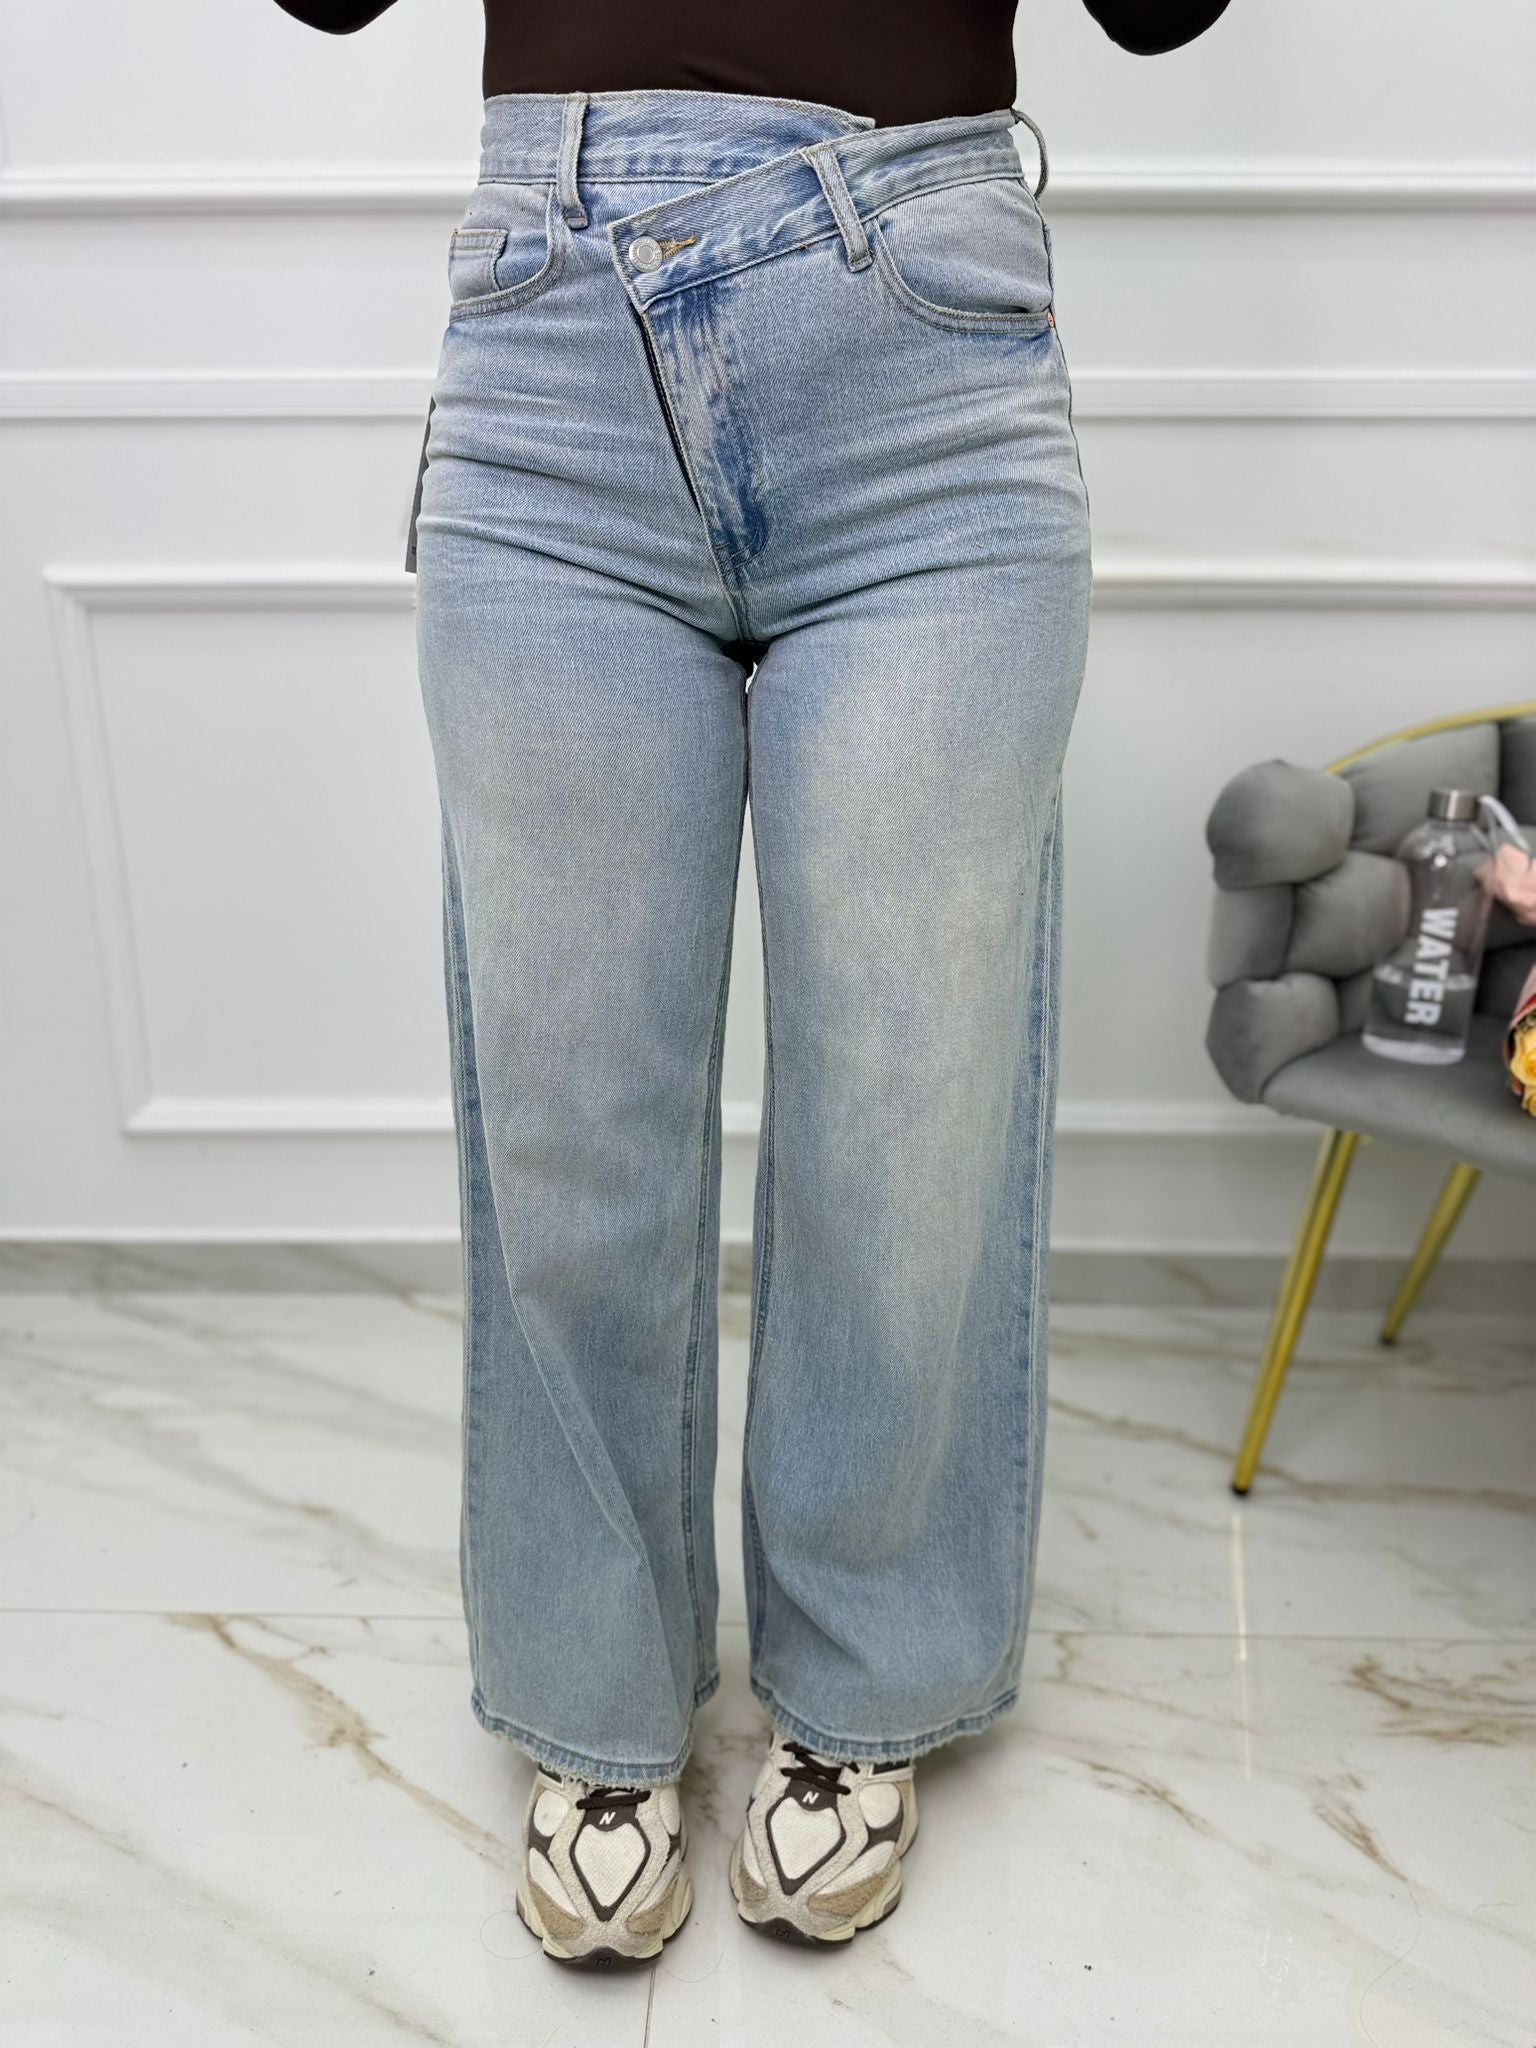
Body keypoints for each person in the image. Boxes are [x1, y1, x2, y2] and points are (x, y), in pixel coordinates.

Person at [274, 0, 1232, 1968]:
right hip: (553, 343)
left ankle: (866, 1680)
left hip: (925, 358)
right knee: (571, 1122)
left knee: (906, 1107)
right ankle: (593, 1699)